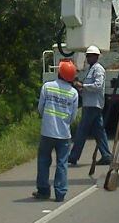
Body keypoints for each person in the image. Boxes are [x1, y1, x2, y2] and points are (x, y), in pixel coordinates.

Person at [34, 60, 79, 203]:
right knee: (62, 163)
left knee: (43, 161)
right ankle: (60, 194)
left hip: (47, 132)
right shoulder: (73, 93)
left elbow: (40, 108)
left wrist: (47, 119)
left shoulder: (47, 87)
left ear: (59, 72)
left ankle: (43, 191)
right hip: (64, 134)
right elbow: (73, 116)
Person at [67, 46, 112, 167]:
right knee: (99, 131)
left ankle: (73, 156)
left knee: (82, 130)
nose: (87, 58)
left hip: (93, 104)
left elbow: (97, 85)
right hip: (90, 103)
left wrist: (82, 86)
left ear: (95, 56)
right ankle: (106, 155)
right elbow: (87, 86)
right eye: (87, 55)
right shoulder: (90, 69)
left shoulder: (98, 69)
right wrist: (81, 88)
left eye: (89, 55)